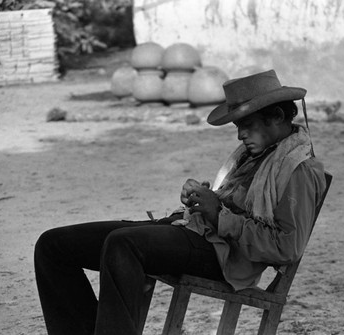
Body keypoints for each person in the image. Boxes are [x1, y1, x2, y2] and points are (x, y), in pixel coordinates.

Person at [34, 69, 327, 335]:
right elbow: (231, 200)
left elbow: (286, 247)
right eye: (238, 125)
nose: (240, 134)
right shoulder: (254, 154)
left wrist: (218, 215)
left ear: (276, 116)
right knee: (53, 246)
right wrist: (202, 199)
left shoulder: (298, 168)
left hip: (225, 257)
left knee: (125, 245)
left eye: (247, 124)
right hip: (193, 231)